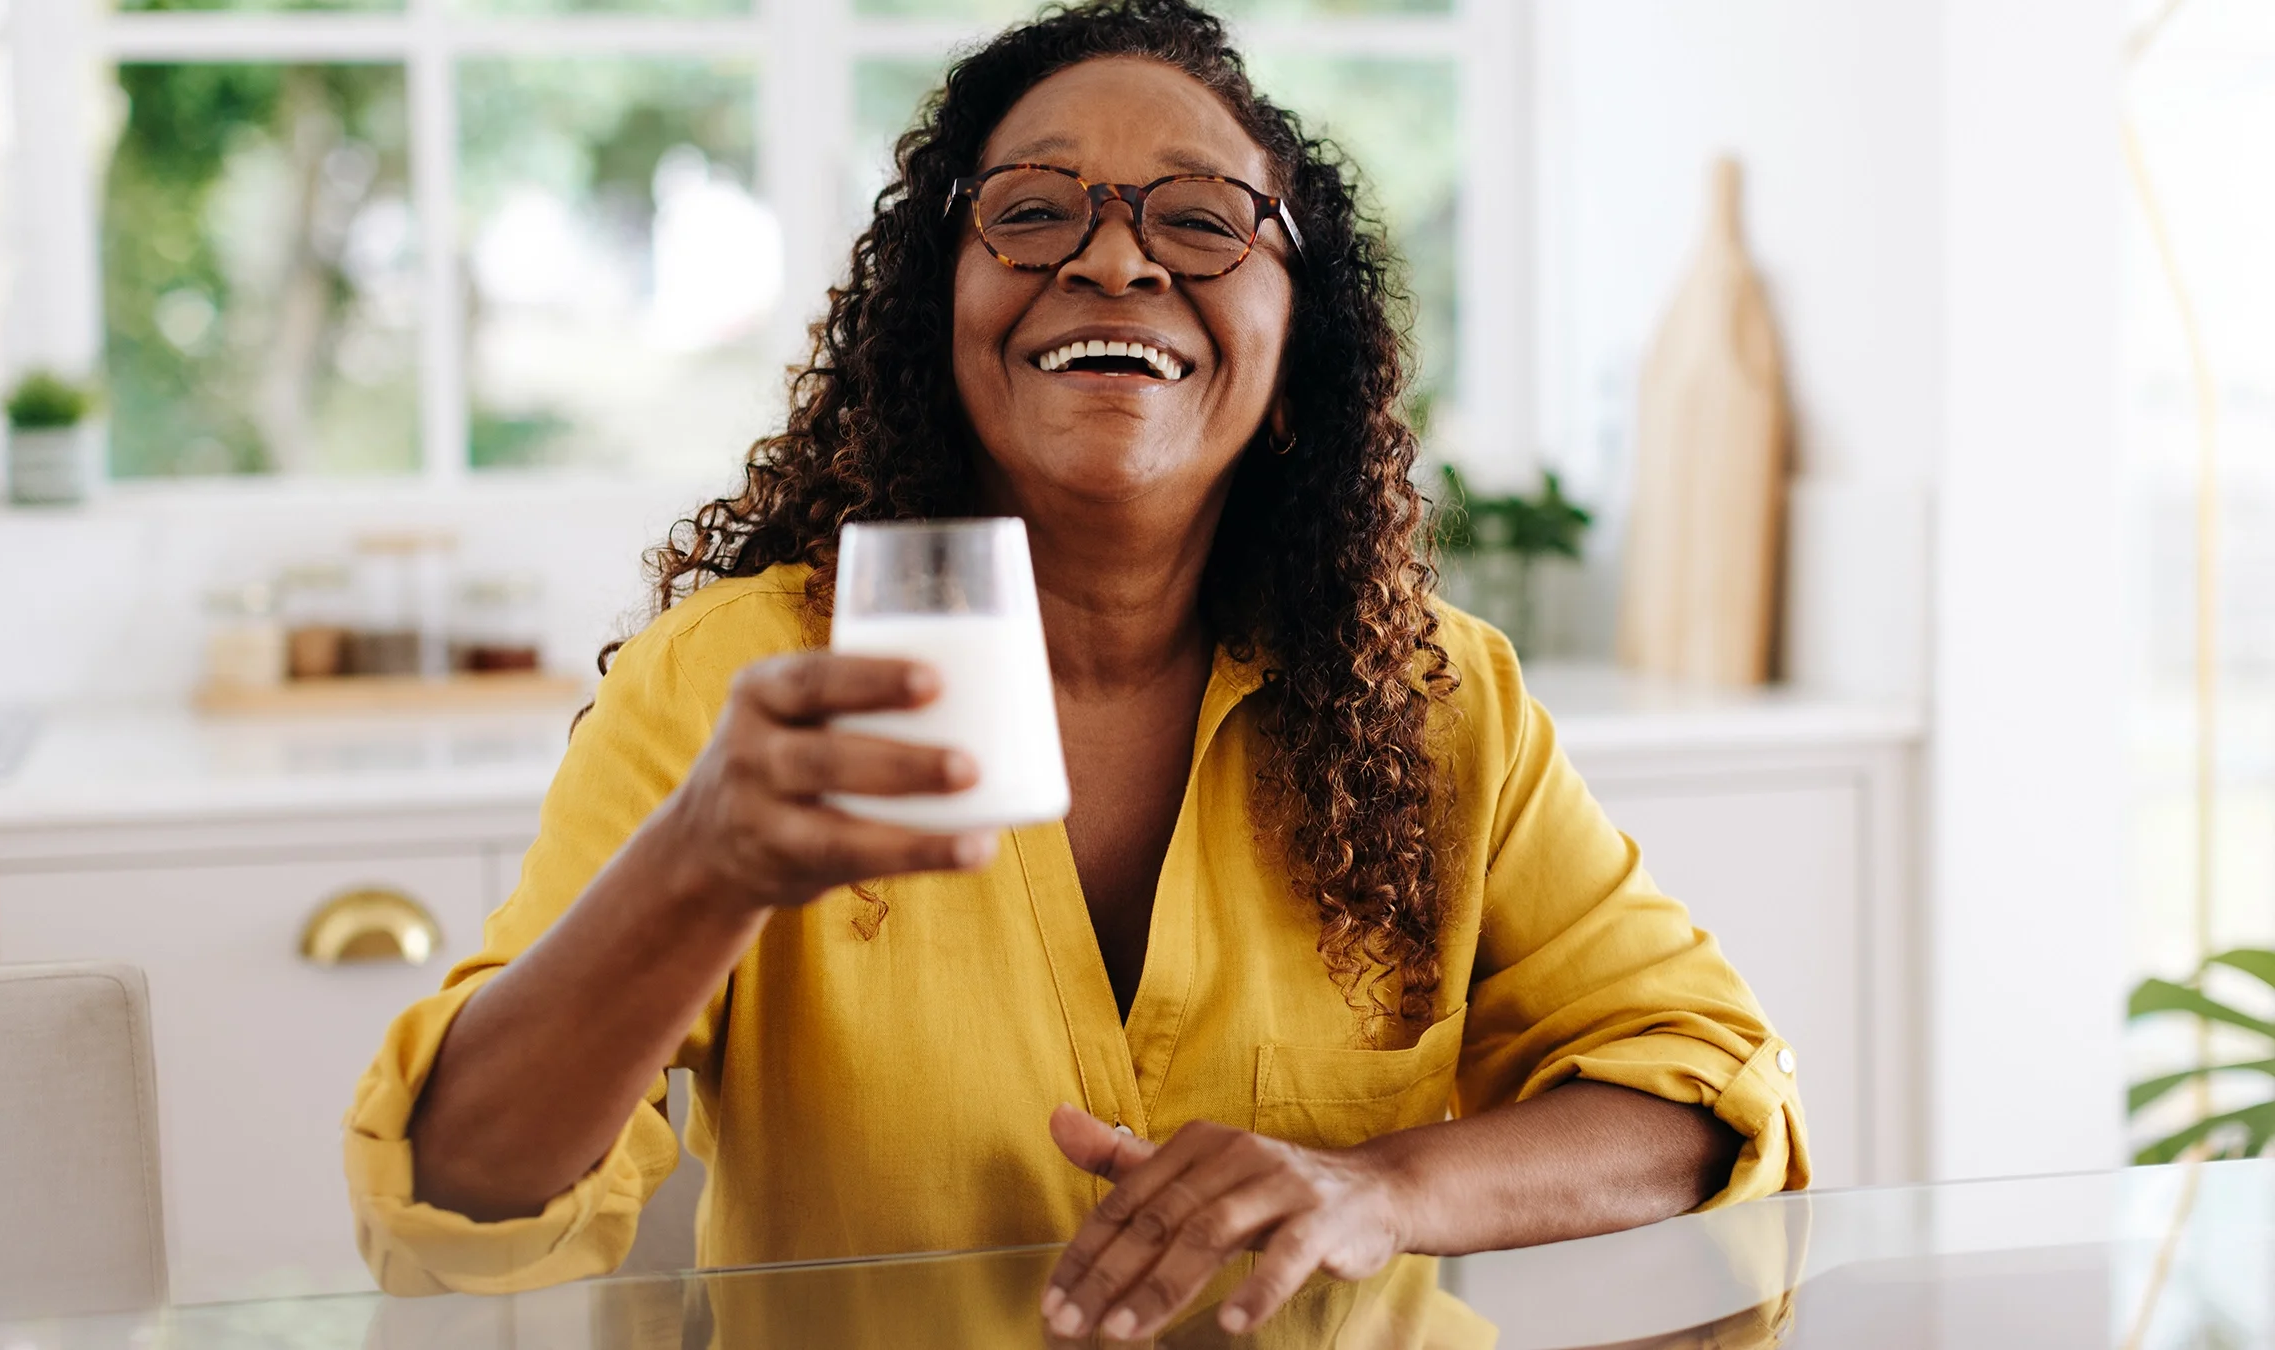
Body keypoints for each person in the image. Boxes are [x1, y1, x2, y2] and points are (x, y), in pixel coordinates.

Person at [344, 0, 1809, 1338]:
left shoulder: (1434, 701)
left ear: (1297, 354)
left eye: (1204, 220)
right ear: (940, 329)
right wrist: (701, 869)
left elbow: (1708, 1093)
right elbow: (455, 1214)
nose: (1113, 258)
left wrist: (1382, 1186)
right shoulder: (742, 679)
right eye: (1033, 213)